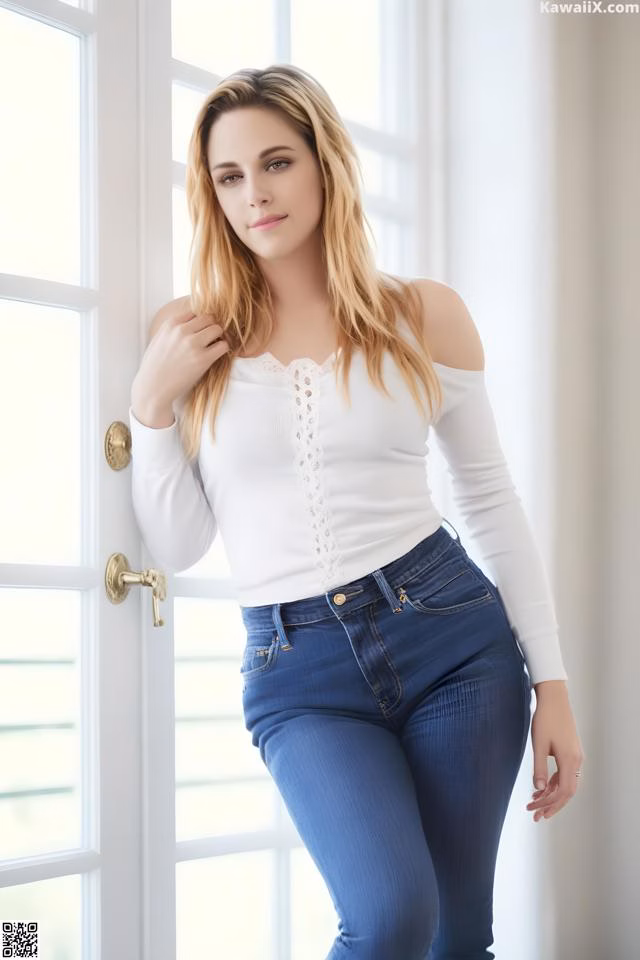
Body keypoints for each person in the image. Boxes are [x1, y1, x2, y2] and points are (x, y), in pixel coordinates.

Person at [128, 64, 584, 959]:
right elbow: (179, 544)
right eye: (229, 177)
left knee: (458, 938)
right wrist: (150, 407)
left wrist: (554, 687)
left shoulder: (422, 316)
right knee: (387, 920)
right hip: (299, 674)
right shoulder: (189, 337)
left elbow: (490, 502)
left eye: (276, 162)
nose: (254, 194)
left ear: (324, 164)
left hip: (453, 639)